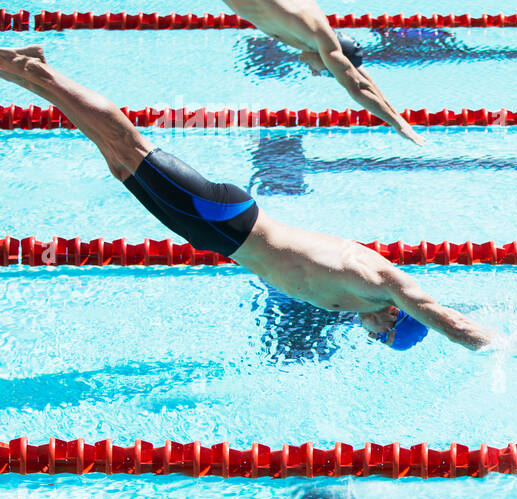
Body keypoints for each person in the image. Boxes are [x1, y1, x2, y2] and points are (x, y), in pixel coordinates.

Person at [0, 45, 490, 351]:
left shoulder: (360, 301)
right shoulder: (386, 284)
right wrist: (492, 346)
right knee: (131, 146)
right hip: (227, 221)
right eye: (381, 336)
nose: (370, 337)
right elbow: (445, 318)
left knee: (117, 159)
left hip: (219, 233)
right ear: (392, 318)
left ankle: (33, 76)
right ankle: (37, 73)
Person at [221, 0, 425, 145]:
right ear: (331, 62)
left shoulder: (313, 31)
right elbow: (357, 87)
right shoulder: (323, 41)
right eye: (329, 73)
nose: (316, 74)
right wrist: (398, 124)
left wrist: (398, 115)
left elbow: (362, 78)